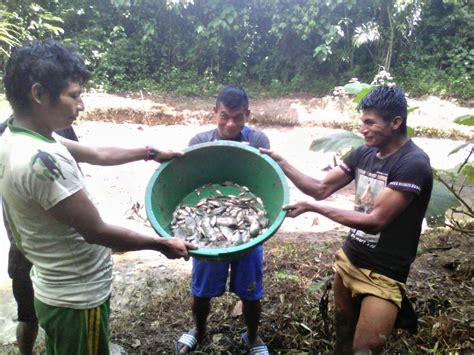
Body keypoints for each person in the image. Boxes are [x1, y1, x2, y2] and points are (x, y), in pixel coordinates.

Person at [0, 39, 196, 355]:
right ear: (38, 94)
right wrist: (161, 244)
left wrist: (150, 152)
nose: (81, 106)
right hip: (77, 298)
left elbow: (95, 153)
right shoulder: (42, 162)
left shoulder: (16, 134)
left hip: (53, 288)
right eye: (73, 96)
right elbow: (96, 231)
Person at [262, 86, 433, 354]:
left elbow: (376, 220)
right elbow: (319, 188)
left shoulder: (413, 163)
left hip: (385, 272)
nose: (362, 129)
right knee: (342, 330)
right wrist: (282, 162)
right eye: (362, 121)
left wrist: (315, 209)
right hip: (349, 260)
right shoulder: (363, 153)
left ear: (396, 122)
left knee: (367, 347)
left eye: (370, 122)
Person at [176, 85, 270, 354]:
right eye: (225, 116)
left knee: (251, 292)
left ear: (247, 115)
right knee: (201, 289)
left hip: (244, 226)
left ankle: (252, 336)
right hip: (208, 228)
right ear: (215, 112)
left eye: (238, 117)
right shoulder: (199, 142)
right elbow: (193, 182)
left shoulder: (259, 141)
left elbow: (262, 178)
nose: (231, 123)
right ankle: (199, 329)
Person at [0, 118, 78, 355]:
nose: (79, 105)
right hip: (27, 246)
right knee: (28, 315)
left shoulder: (61, 128)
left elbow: (78, 165)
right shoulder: (7, 135)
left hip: (59, 244)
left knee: (62, 311)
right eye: (73, 95)